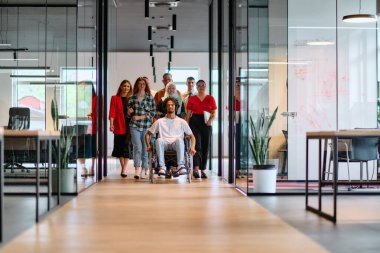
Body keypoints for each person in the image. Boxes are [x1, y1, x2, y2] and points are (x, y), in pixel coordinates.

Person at [145, 97, 196, 176]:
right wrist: (148, 145)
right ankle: (162, 167)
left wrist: (192, 147)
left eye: (172, 105)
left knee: (179, 140)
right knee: (158, 140)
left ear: (175, 106)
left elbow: (192, 136)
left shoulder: (182, 121)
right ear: (166, 107)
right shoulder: (160, 121)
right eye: (168, 105)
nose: (170, 106)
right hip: (164, 144)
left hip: (176, 144)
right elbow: (147, 134)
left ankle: (181, 165)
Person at [186, 80, 217, 179]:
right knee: (197, 145)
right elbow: (188, 114)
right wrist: (186, 127)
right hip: (194, 122)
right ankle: (196, 168)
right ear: (196, 87)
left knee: (206, 145)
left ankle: (203, 169)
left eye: (203, 85)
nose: (201, 87)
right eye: (199, 86)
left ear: (206, 86)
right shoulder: (192, 98)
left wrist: (210, 121)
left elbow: (213, 112)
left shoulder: (210, 98)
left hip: (206, 122)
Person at [128, 76, 156, 179]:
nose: (141, 85)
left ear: (146, 85)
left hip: (146, 126)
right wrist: (129, 112)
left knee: (145, 148)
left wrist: (140, 117)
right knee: (137, 147)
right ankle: (137, 169)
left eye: (143, 84)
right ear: (137, 85)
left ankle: (145, 168)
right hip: (134, 126)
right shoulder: (132, 98)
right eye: (139, 84)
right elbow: (129, 113)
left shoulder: (150, 98)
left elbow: (152, 113)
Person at [109, 80, 133, 178]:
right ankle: (124, 168)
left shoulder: (131, 99)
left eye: (128, 86)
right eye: (124, 86)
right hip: (118, 124)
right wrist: (111, 124)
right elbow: (112, 112)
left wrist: (131, 112)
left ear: (130, 88)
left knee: (126, 145)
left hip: (129, 125)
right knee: (119, 146)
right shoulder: (114, 98)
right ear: (121, 87)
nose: (126, 88)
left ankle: (124, 168)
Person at [78, 82, 97, 178]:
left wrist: (92, 115)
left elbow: (99, 113)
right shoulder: (77, 98)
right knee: (80, 148)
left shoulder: (96, 99)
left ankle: (92, 167)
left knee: (92, 148)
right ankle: (83, 167)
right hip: (80, 126)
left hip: (92, 126)